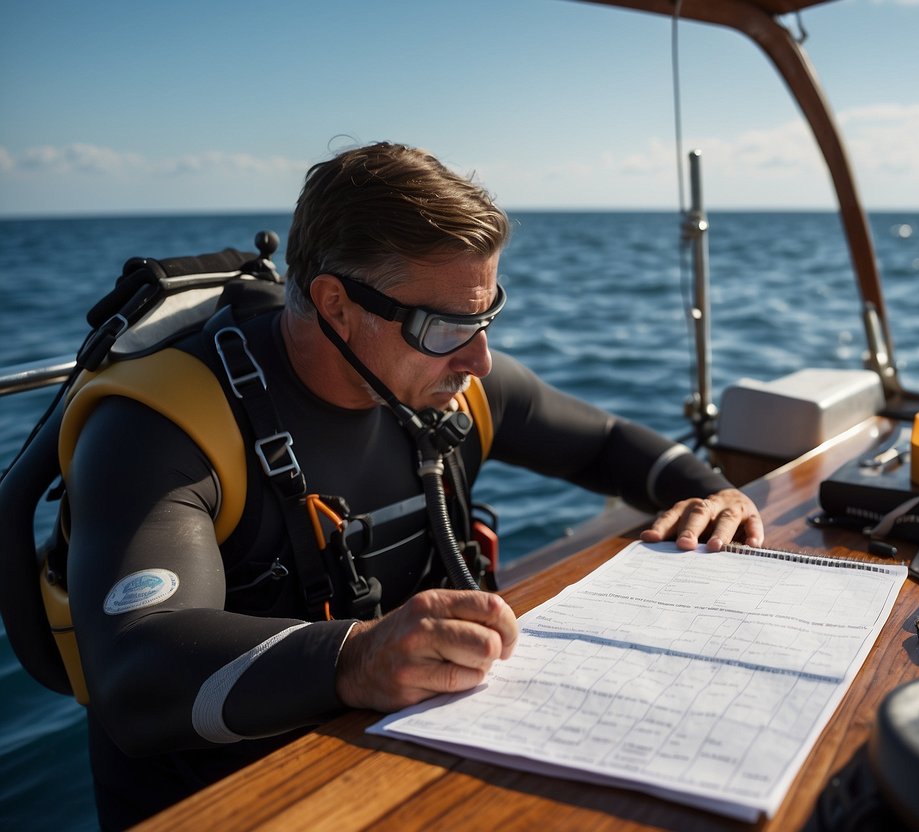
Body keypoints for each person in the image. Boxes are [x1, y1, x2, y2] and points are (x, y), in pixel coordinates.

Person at [64, 141, 763, 829]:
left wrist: (713, 493)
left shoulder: (446, 385)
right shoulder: (162, 429)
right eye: (446, 326)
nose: (480, 359)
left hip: (408, 767)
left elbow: (607, 442)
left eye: (486, 317)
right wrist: (357, 656)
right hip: (235, 803)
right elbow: (135, 670)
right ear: (335, 305)